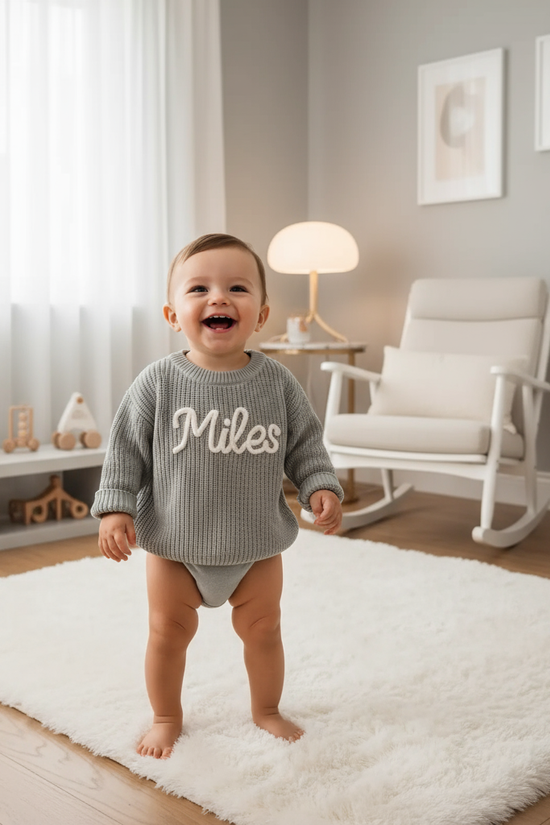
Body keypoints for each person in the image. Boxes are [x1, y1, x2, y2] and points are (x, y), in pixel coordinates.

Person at [91, 233, 344, 759]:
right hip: (175, 544)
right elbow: (125, 452)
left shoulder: (277, 384)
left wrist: (320, 485)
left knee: (265, 629)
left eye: (237, 287)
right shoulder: (157, 384)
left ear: (262, 313)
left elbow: (305, 445)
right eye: (199, 288)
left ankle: (266, 709)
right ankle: (166, 715)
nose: (218, 298)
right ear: (172, 313)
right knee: (167, 633)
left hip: (256, 544)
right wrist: (115, 506)